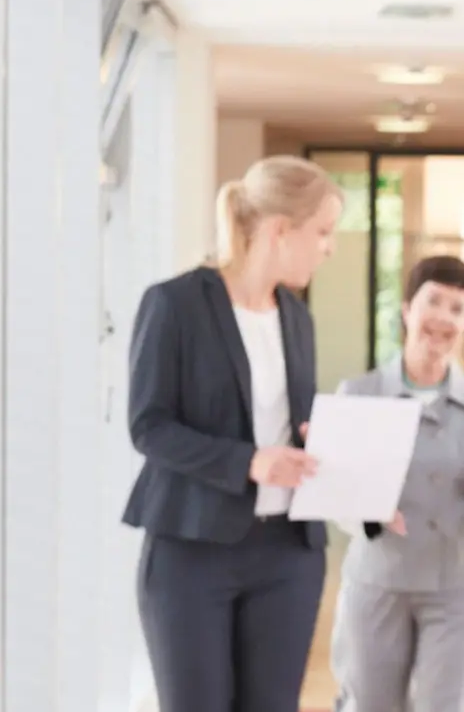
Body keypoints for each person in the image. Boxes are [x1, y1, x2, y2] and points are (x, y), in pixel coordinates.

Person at [122, 155, 343, 712]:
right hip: (192, 552)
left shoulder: (297, 318)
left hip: (289, 556)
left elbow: (289, 427)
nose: (329, 247)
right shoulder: (173, 305)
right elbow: (149, 426)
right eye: (322, 231)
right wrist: (247, 461)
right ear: (279, 230)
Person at [331, 254, 464, 712]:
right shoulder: (359, 394)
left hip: (458, 588)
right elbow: (339, 499)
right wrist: (368, 508)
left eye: (458, 309)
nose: (444, 318)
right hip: (378, 582)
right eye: (434, 301)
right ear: (408, 308)